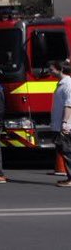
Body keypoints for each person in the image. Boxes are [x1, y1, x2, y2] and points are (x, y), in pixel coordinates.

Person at [52, 60, 71, 188]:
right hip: (59, 123)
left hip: (66, 125)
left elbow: (69, 105)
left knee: (67, 151)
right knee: (64, 150)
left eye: (52, 69)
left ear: (61, 70)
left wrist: (65, 123)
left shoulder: (68, 84)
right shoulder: (61, 84)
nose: (50, 71)